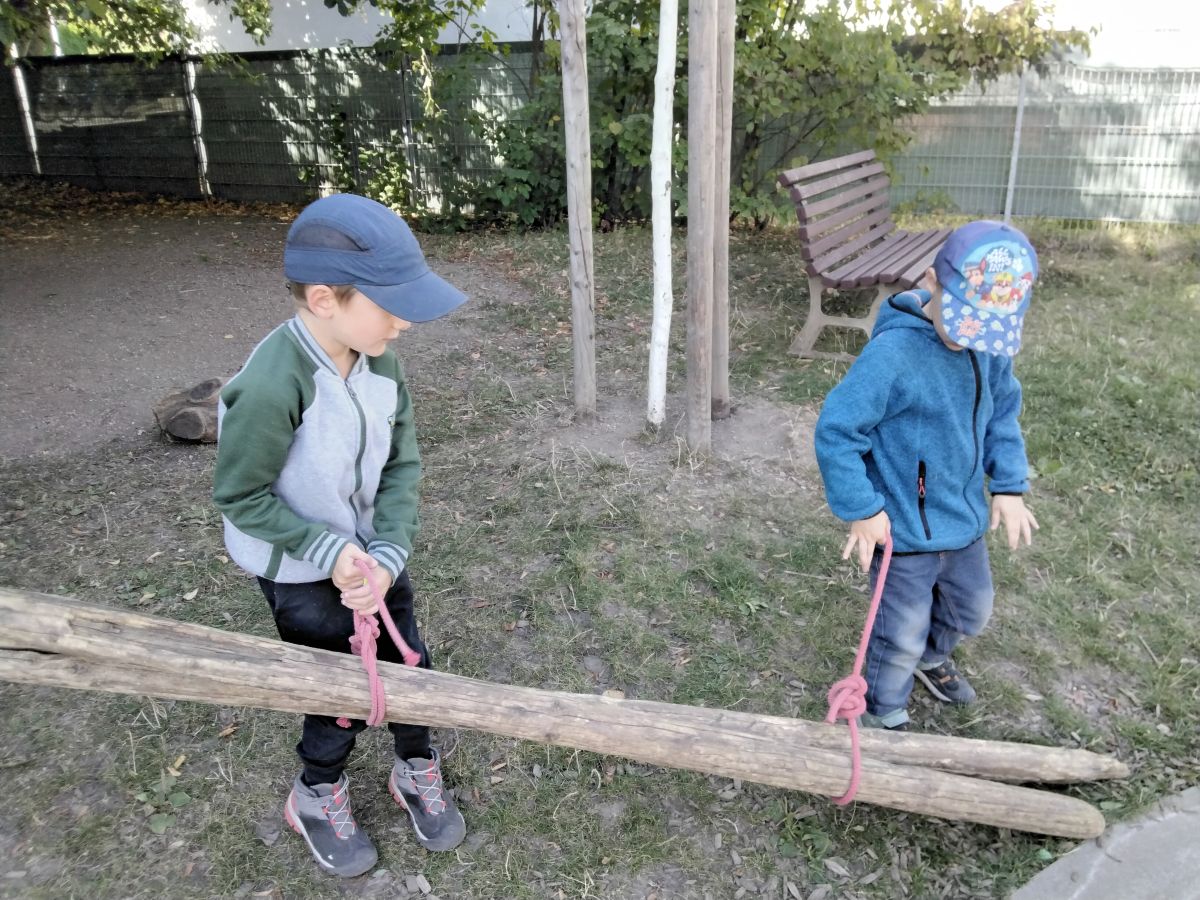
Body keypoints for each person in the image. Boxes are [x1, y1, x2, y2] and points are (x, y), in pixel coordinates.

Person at [213, 193, 468, 876]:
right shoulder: (272, 385)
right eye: (391, 303)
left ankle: (416, 767)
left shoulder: (377, 356)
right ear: (325, 299)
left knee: (409, 658)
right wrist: (329, 553)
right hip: (301, 572)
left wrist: (384, 555)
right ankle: (316, 791)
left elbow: (401, 464)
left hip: (371, 560)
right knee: (340, 692)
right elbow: (239, 496)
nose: (405, 322)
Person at [814, 220, 1041, 731]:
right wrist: (864, 510)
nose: (971, 341)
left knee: (972, 611)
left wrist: (1007, 485)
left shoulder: (987, 349)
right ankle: (883, 711)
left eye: (986, 329)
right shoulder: (893, 356)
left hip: (962, 520)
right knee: (899, 631)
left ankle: (931, 658)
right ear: (931, 282)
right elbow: (837, 431)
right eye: (964, 324)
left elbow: (1002, 417)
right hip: (905, 530)